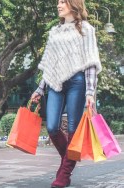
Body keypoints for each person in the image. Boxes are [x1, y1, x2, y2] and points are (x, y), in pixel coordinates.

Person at [31, 0, 102, 187]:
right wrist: (40, 88)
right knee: (53, 127)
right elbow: (49, 65)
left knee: (72, 129)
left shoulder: (86, 29)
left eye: (62, 1)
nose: (58, 5)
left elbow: (91, 63)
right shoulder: (54, 32)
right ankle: (68, 160)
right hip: (55, 82)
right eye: (57, 2)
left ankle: (64, 174)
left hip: (77, 83)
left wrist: (90, 92)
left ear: (73, 4)